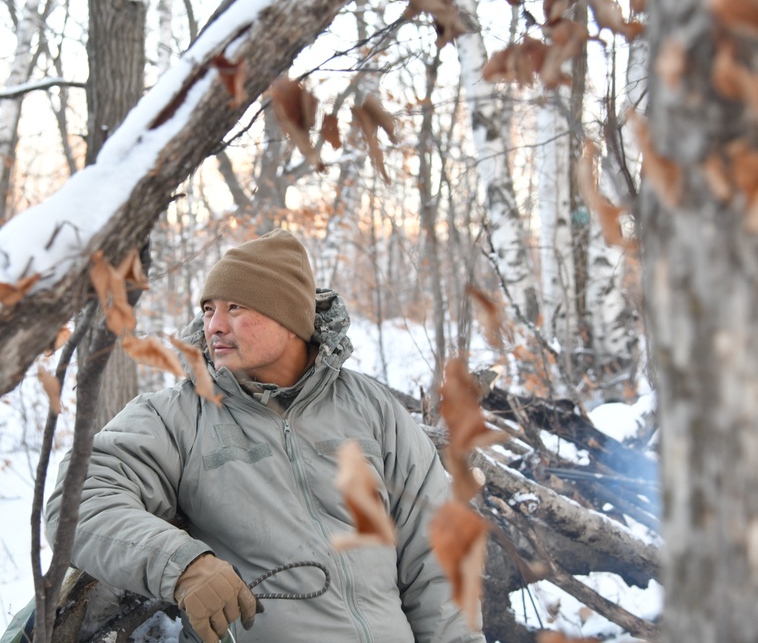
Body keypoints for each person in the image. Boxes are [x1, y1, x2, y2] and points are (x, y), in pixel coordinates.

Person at [45, 229, 484, 643]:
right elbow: (77, 502)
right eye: (208, 309)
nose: (214, 326)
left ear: (289, 317)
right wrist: (183, 564)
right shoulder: (177, 416)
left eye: (235, 307)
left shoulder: (371, 408)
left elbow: (438, 557)